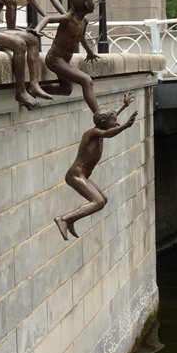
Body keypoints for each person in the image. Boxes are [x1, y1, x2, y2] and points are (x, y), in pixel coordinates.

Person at [55, 92, 137, 241]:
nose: (116, 123)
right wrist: (125, 126)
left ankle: (71, 220)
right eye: (114, 121)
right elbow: (109, 133)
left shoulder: (102, 125)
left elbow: (109, 119)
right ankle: (64, 219)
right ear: (105, 123)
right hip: (75, 175)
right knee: (98, 202)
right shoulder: (93, 133)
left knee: (103, 199)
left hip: (83, 175)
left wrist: (124, 106)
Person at [34, 0, 100, 113]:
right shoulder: (68, 18)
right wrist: (37, 30)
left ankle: (33, 90)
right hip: (55, 59)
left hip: (65, 60)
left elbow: (81, 38)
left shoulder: (84, 21)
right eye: (92, 1)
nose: (94, 4)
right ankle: (99, 114)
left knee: (66, 90)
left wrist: (89, 52)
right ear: (86, 5)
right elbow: (47, 19)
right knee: (86, 80)